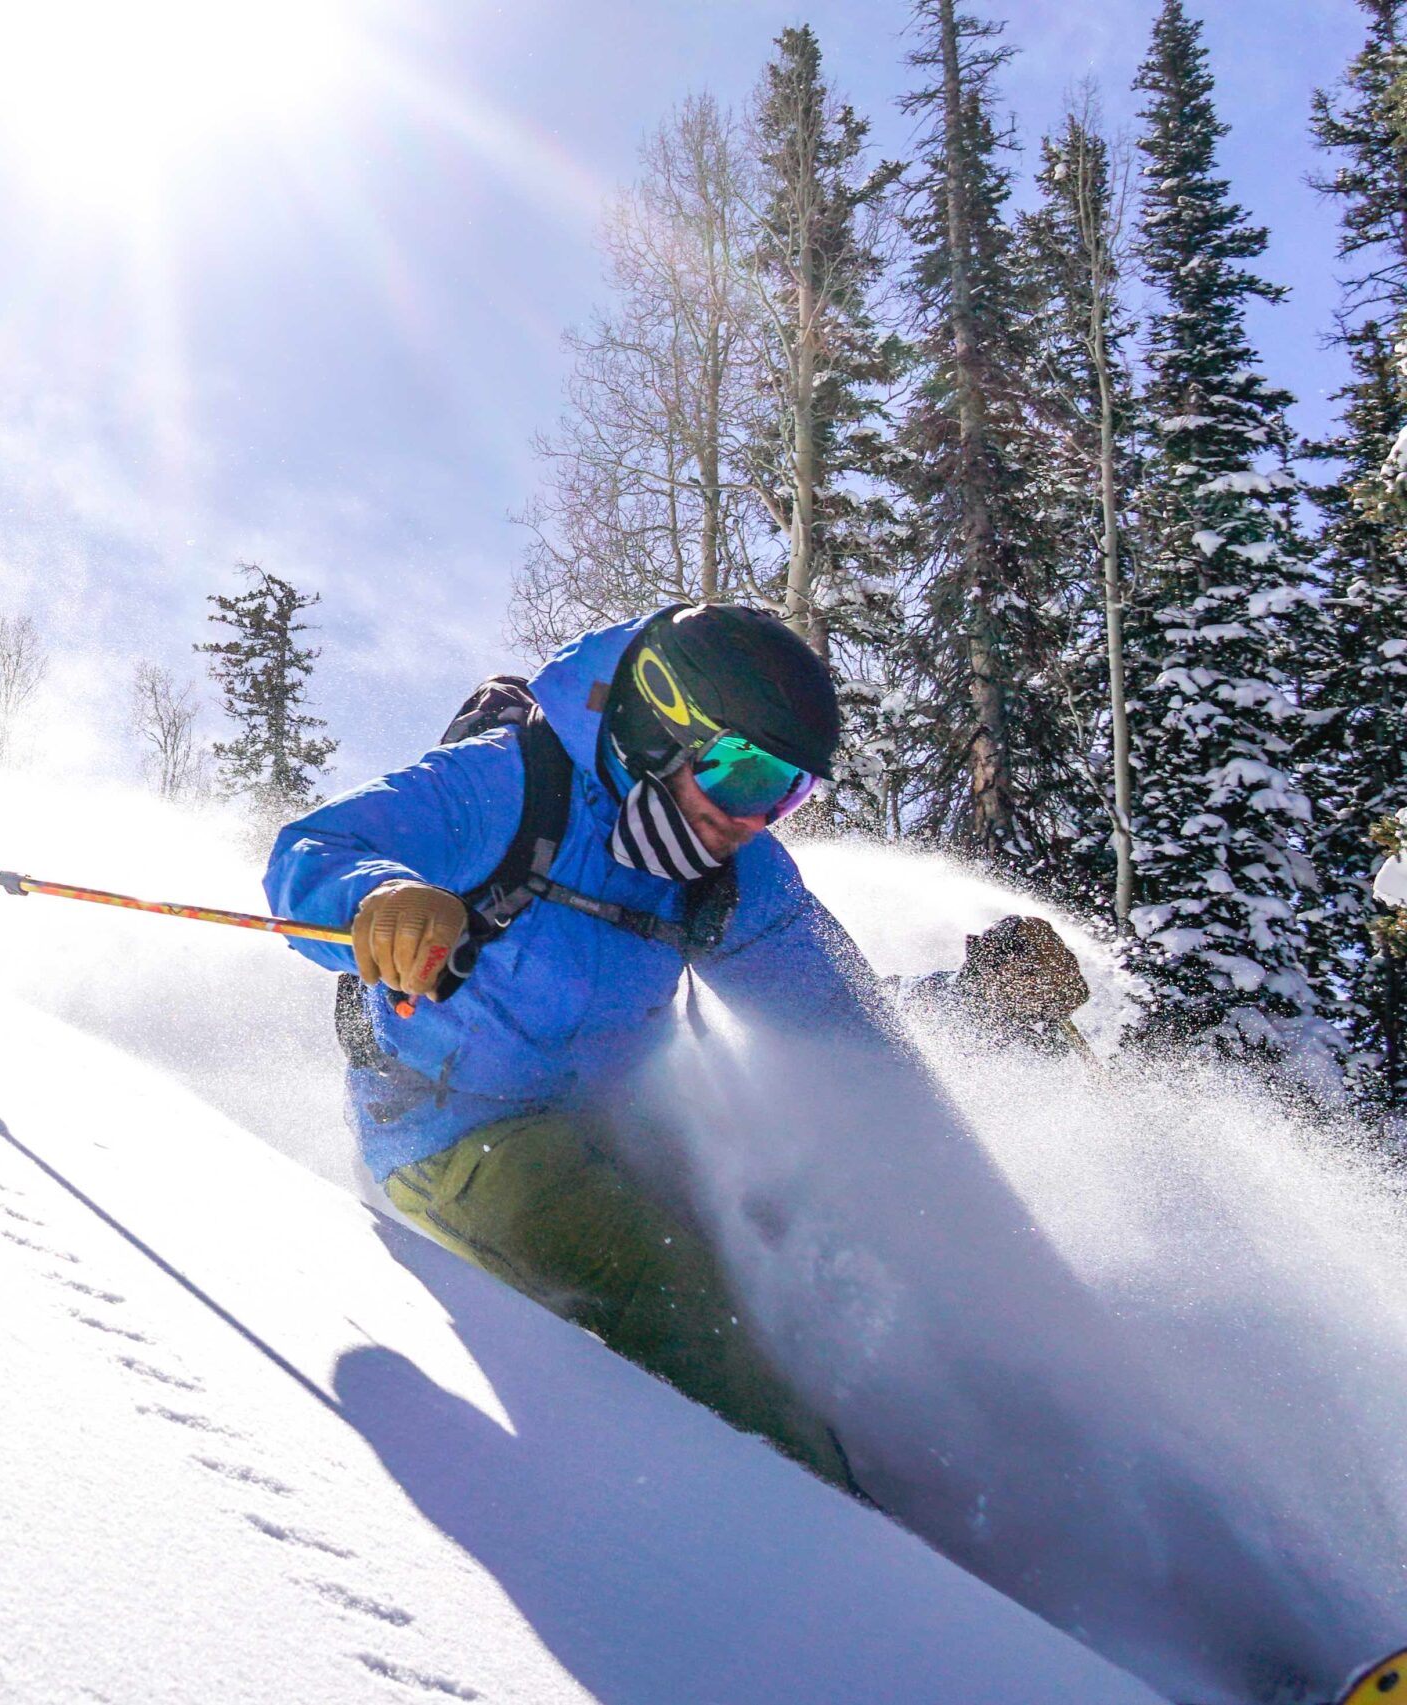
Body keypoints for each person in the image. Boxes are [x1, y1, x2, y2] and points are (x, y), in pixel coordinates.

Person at [265, 603, 906, 1488]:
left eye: (787, 791)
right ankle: (827, 1559)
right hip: (453, 1129)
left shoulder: (727, 869)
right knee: (679, 1300)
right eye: (746, 775)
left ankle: (901, 1483)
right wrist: (382, 899)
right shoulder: (511, 784)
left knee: (796, 1242)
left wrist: (959, 1056)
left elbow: (838, 1021)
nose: (758, 817)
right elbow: (316, 850)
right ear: (661, 729)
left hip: (615, 1113)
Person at [900, 915, 1093, 1057]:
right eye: (1029, 972)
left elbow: (1076, 992)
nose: (1042, 984)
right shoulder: (946, 999)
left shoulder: (1053, 989)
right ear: (992, 970)